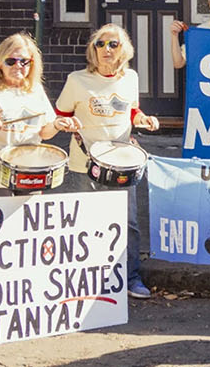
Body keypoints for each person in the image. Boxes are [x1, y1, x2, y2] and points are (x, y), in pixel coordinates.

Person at [54, 24, 161, 300]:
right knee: (86, 222)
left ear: (123, 50)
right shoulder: (77, 80)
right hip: (84, 164)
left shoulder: (130, 78)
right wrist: (66, 123)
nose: (106, 50)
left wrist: (143, 120)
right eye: (100, 44)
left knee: (128, 223)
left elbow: (132, 111)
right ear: (93, 49)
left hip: (121, 163)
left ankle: (130, 277)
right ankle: (87, 280)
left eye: (112, 44)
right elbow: (60, 113)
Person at [0, 33, 80, 197]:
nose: (18, 66)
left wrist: (56, 125)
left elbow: (43, 133)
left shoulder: (35, 90)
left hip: (30, 168)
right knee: (2, 218)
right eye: (10, 61)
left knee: (28, 217)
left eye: (24, 61)